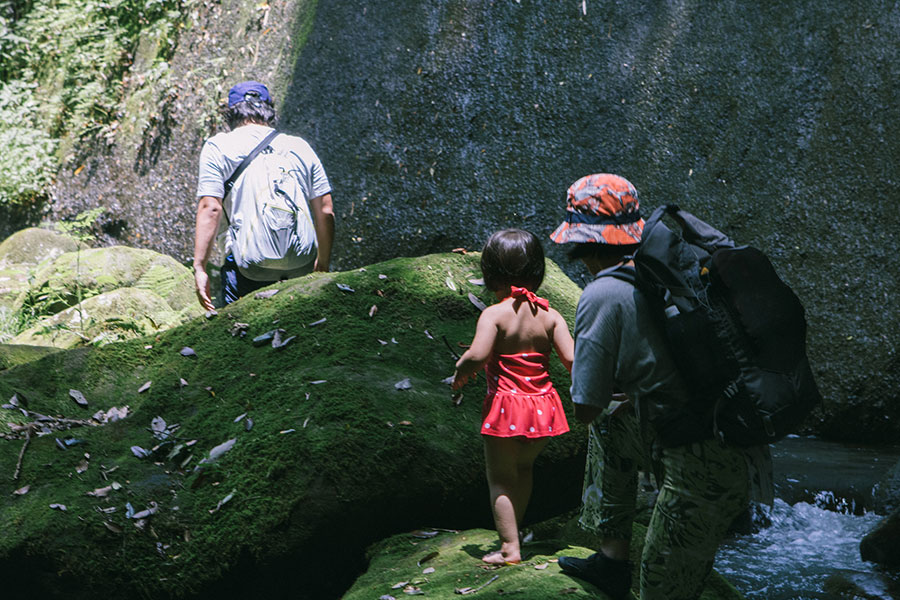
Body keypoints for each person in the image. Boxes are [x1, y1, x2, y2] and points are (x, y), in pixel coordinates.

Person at [549, 173, 770, 600]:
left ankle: (619, 559)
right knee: (612, 426)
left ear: (582, 244)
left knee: (661, 593)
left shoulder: (601, 295)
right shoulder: (674, 270)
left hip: (701, 470)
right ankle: (611, 562)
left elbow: (586, 407)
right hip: (739, 444)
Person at [452, 228, 574, 565]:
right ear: (538, 272)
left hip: (507, 408)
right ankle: (515, 532)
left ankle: (509, 547)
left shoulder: (493, 314)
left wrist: (462, 369)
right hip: (543, 408)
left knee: (501, 479)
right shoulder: (550, 316)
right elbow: (572, 360)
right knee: (524, 470)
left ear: (489, 274)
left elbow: (477, 355)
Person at [193, 80, 335, 310]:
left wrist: (200, 267)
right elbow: (326, 210)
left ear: (230, 112)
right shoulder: (299, 146)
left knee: (243, 335)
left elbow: (211, 207)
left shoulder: (218, 146)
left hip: (245, 265)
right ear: (269, 110)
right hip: (301, 263)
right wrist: (323, 262)